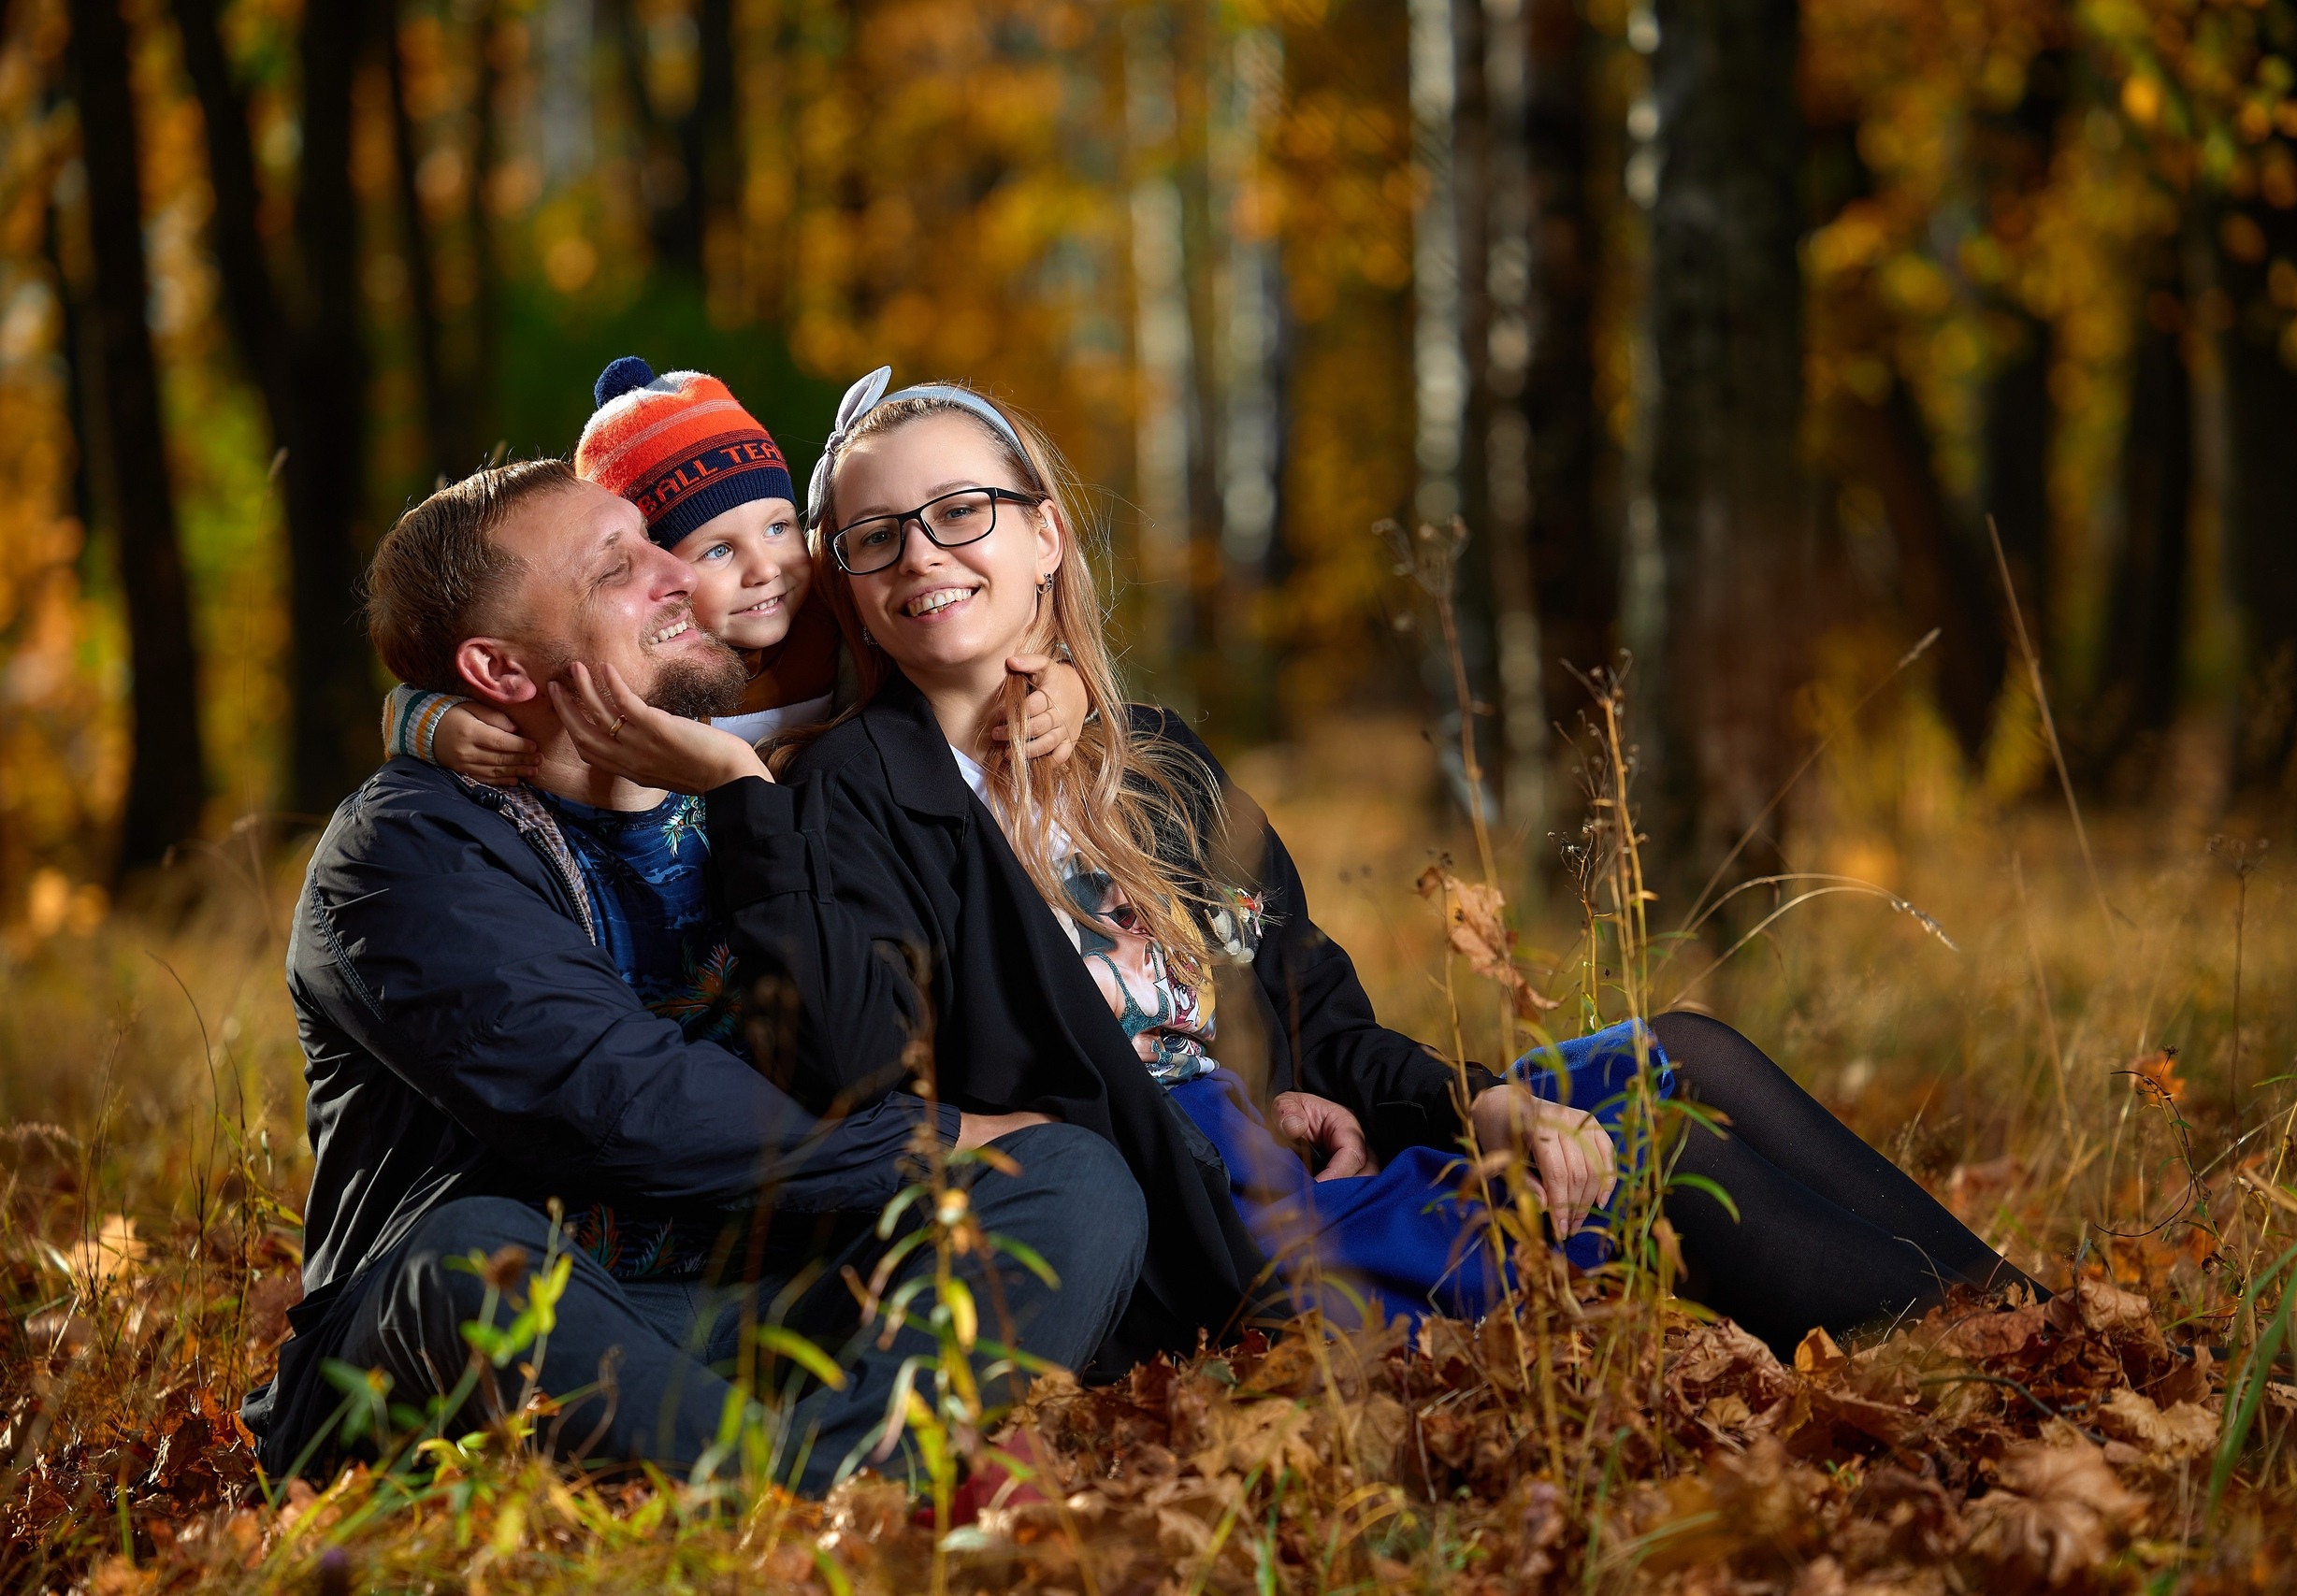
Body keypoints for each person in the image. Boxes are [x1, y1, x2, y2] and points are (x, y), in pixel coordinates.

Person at [552, 369, 2048, 1364]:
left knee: (1690, 1050)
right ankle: (1991, 1367)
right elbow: (863, 1068)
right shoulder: (848, 796)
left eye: (964, 512)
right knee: (1669, 1161)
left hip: (1301, 1137)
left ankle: (2029, 1328)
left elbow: (1321, 1018)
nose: (923, 552)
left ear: (1047, 537)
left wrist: (1487, 1099)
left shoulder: (1153, 756)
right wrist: (754, 787)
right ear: (853, 596)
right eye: (874, 537)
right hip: (1201, 1211)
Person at [242, 457, 1146, 1491]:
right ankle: (835, 1501)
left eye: (652, 540)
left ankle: (817, 1490)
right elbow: (627, 1106)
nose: (677, 572)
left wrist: (1058, 676)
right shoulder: (403, 854)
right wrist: (933, 1143)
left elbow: (924, 633)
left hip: (758, 1312)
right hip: (524, 1334)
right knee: (468, 1259)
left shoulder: (763, 783)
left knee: (1072, 1177)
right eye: (612, 568)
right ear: (497, 673)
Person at [379, 357, 1088, 785]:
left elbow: (955, 645)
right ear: (662, 572)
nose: (767, 568)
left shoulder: (828, 604)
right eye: (717, 550)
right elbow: (459, 680)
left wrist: (1064, 683)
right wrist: (426, 720)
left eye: (779, 527)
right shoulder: (652, 656)